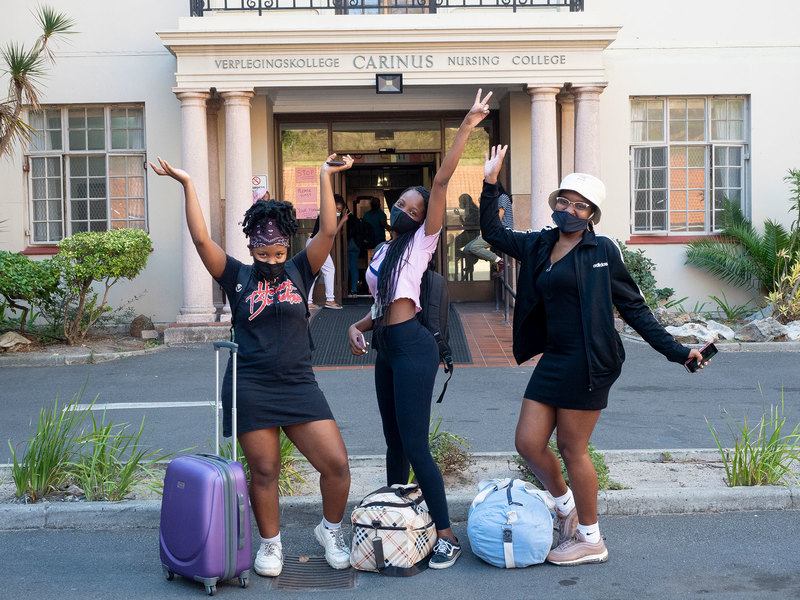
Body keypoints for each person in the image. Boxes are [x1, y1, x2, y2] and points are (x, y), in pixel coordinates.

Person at [478, 145, 711, 567]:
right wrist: (490, 184)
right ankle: (565, 508)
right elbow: (493, 235)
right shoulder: (539, 245)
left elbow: (636, 309)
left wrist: (679, 352)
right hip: (556, 356)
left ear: (591, 214)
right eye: (563, 201)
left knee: (572, 447)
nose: (568, 209)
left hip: (591, 359)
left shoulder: (603, 252)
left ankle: (591, 538)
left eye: (578, 205)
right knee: (528, 443)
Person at [150, 153, 356, 577]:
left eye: (279, 250)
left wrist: (323, 175)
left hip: (299, 385)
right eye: (265, 252)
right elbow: (201, 240)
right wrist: (188, 183)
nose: (273, 259)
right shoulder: (237, 276)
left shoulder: (301, 268)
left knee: (336, 465)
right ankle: (271, 545)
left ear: (288, 246)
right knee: (264, 471)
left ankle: (330, 530)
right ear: (251, 247)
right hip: (252, 386)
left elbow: (330, 229)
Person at [347, 89, 494, 570]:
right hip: (386, 346)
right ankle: (400, 517)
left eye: (412, 207)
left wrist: (468, 126)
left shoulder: (421, 244)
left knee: (415, 444)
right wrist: (359, 324)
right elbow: (382, 302)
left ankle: (447, 533)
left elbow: (445, 178)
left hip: (412, 347)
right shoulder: (386, 253)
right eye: (402, 205)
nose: (403, 211)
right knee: (392, 443)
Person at [306, 193, 348, 309]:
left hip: (314, 243)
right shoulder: (328, 216)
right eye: (337, 208)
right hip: (317, 244)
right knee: (329, 269)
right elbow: (332, 233)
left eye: (340, 209)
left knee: (314, 272)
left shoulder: (325, 214)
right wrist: (343, 220)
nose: (338, 211)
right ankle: (329, 300)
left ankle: (309, 301)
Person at [463, 182, 512, 275]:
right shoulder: (494, 200)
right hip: (492, 231)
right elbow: (486, 217)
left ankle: (500, 262)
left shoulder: (503, 198)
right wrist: (483, 204)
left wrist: (486, 232)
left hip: (502, 232)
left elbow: (498, 219)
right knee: (467, 249)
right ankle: (495, 260)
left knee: (474, 247)